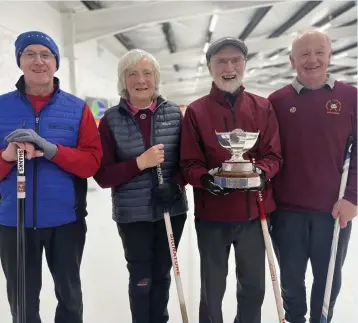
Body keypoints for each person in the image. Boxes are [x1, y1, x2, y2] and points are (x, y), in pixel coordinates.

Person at [0, 31, 103, 323]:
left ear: (56, 62)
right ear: (19, 61)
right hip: (13, 222)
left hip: (65, 222)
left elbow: (91, 163)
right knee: (22, 302)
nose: (38, 61)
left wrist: (51, 150)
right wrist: (7, 157)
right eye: (29, 53)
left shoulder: (78, 109)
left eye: (46, 54)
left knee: (70, 298)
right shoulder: (1, 107)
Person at [180, 36, 282, 323]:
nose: (229, 67)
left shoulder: (263, 107)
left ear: (244, 65)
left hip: (254, 214)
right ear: (211, 67)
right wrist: (205, 179)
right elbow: (189, 162)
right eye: (221, 61)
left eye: (236, 60)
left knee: (252, 288)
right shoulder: (197, 111)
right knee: (212, 288)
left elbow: (274, 155)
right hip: (213, 216)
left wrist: (260, 172)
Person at [268, 29, 357, 323]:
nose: (312, 59)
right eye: (304, 54)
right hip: (287, 213)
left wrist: (352, 199)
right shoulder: (276, 102)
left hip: (332, 211)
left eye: (319, 52)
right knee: (291, 281)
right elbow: (269, 154)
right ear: (292, 61)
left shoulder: (351, 97)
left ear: (330, 55)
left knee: (328, 280)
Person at [93, 48, 188, 323]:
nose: (140, 79)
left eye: (147, 73)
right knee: (141, 276)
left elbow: (188, 162)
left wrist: (176, 186)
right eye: (132, 73)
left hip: (170, 209)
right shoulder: (111, 119)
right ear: (124, 79)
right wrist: (140, 163)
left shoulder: (173, 113)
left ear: (156, 78)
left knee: (162, 273)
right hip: (132, 214)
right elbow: (103, 176)